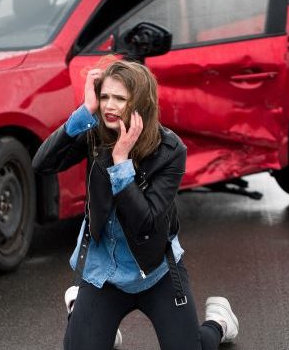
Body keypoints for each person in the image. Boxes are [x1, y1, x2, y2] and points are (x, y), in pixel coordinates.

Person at [32, 59, 239, 350]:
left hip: (156, 272)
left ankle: (219, 321)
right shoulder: (95, 133)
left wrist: (121, 163)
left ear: (140, 103)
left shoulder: (170, 150)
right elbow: (42, 163)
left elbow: (146, 222)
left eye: (119, 98)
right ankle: (89, 316)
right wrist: (85, 111)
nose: (109, 106)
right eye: (104, 97)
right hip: (104, 274)